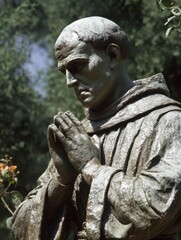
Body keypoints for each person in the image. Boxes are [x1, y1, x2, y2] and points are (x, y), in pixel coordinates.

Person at [12, 16, 181, 240]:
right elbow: (19, 228)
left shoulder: (168, 121)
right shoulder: (76, 136)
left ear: (113, 55)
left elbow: (156, 208)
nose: (69, 81)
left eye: (77, 65)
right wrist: (61, 181)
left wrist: (91, 168)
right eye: (64, 72)